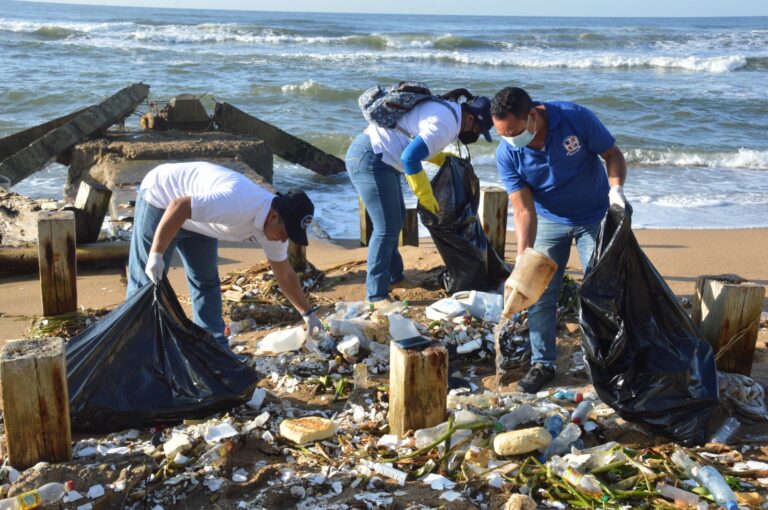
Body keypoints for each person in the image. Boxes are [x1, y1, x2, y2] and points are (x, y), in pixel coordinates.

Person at [491, 87, 627, 393]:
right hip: (551, 220)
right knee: (538, 291)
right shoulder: (507, 153)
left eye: (513, 131)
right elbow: (523, 209)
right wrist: (524, 256)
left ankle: (606, 359)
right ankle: (543, 363)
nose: (510, 139)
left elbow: (612, 154)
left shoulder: (574, 118)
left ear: (532, 115)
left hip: (594, 215)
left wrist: (616, 191)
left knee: (600, 288)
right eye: (502, 134)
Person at [126, 161, 323, 347]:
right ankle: (134, 345)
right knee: (146, 284)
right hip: (163, 199)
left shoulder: (273, 230)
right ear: (273, 217)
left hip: (199, 219)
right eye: (285, 234)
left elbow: (285, 274)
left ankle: (213, 345)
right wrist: (156, 254)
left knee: (206, 281)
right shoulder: (238, 204)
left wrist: (308, 313)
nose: (283, 240)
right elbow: (179, 206)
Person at [346, 88, 494, 305]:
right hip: (371, 160)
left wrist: (438, 157)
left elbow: (414, 136)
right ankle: (376, 294)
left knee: (393, 221)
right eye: (478, 129)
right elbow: (409, 159)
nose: (477, 135)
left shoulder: (448, 112)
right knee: (386, 228)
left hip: (380, 158)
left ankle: (395, 277)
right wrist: (424, 194)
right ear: (471, 118)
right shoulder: (447, 123)